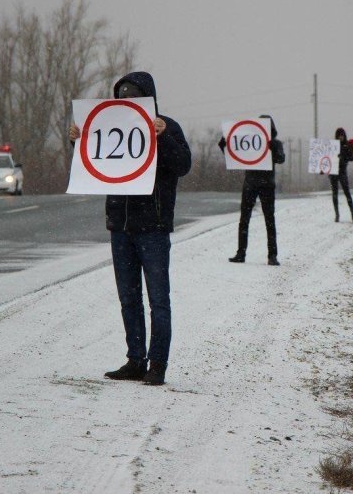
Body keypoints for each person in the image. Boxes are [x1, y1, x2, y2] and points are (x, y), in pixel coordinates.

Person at [68, 71, 191, 386]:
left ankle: (157, 364)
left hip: (153, 227)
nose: (127, 101)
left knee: (158, 299)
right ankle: (135, 360)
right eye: (122, 96)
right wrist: (79, 140)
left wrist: (163, 137)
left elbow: (183, 166)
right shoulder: (108, 125)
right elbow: (95, 163)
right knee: (129, 298)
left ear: (148, 97)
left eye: (134, 96)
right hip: (120, 227)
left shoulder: (166, 126)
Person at [218, 114, 286, 265]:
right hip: (250, 184)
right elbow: (235, 154)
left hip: (266, 185)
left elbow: (281, 158)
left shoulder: (275, 143)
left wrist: (273, 148)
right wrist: (224, 144)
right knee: (244, 219)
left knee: (269, 220)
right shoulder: (250, 141)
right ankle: (241, 253)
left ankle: (272, 255)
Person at [330, 127, 353, 223]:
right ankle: (337, 215)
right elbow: (327, 157)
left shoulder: (347, 145)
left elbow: (351, 158)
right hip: (333, 172)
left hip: (342, 171)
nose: (340, 137)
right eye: (339, 135)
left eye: (342, 135)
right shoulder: (333, 145)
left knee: (347, 193)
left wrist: (343, 157)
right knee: (335, 194)